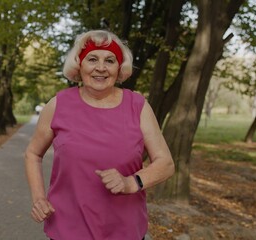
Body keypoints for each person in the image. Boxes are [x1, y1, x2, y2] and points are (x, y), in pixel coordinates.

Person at [24, 30, 175, 240]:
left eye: (110, 60)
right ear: (79, 65)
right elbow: (33, 153)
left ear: (119, 68)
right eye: (92, 59)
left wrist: (131, 182)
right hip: (67, 231)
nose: (101, 68)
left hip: (125, 231)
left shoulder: (138, 106)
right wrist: (39, 197)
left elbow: (165, 163)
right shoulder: (58, 104)